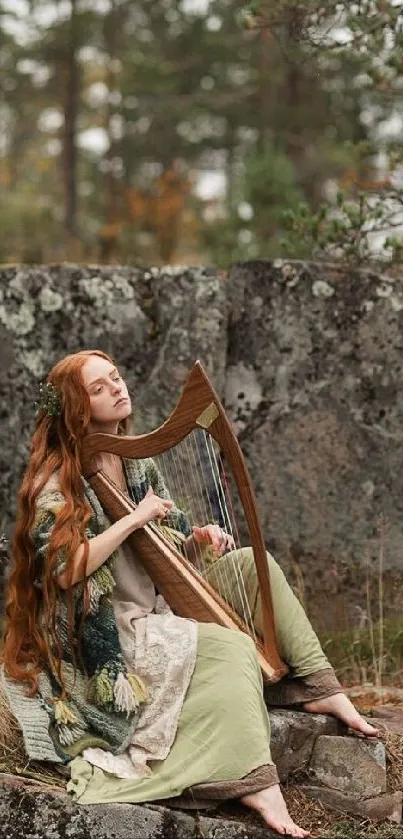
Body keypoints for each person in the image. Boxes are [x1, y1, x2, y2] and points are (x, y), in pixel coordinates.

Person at [1, 350, 379, 839]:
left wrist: (196, 539)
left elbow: (165, 550)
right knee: (233, 646)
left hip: (157, 604)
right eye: (99, 387)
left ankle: (320, 689)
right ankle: (252, 782)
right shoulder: (55, 481)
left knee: (250, 565)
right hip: (112, 632)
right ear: (76, 406)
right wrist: (136, 518)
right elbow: (67, 570)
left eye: (116, 377)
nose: (118, 388)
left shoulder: (134, 461)